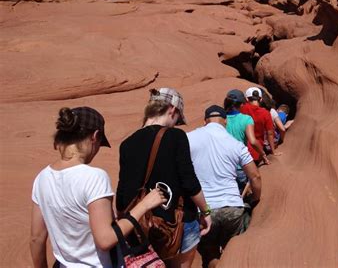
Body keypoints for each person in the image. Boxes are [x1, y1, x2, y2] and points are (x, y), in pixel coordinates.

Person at [30, 107, 167, 268]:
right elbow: (105, 240)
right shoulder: (94, 177)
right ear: (94, 136)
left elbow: (36, 238)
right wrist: (144, 205)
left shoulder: (42, 178)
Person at [116, 88, 212, 268]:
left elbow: (121, 196)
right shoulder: (176, 136)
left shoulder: (126, 144)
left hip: (140, 227)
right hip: (177, 224)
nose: (176, 124)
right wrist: (206, 212)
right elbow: (189, 181)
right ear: (172, 110)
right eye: (177, 119)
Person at [187, 105, 262, 268]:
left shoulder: (188, 138)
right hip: (233, 208)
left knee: (210, 253)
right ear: (225, 121)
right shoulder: (235, 144)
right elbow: (255, 176)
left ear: (205, 120)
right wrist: (255, 199)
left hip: (204, 210)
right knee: (232, 253)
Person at [224, 89, 268, 191]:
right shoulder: (246, 119)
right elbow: (252, 141)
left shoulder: (222, 119)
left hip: (224, 164)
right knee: (242, 193)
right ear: (242, 104)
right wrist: (263, 154)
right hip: (239, 165)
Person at [240, 87, 280, 164]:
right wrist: (273, 151)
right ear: (261, 99)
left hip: (241, 148)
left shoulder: (242, 108)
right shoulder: (265, 113)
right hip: (257, 151)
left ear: (247, 99)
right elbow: (270, 133)